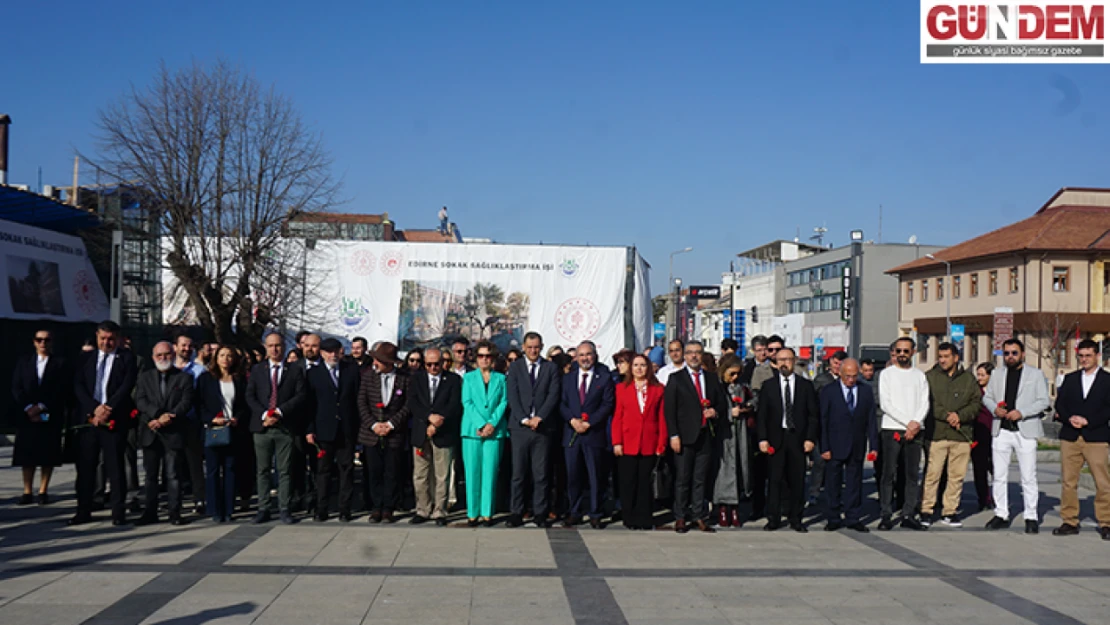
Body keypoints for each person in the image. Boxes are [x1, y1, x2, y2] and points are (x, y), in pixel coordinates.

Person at [70, 320, 139, 526]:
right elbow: (79, 385)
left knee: (115, 467)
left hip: (114, 420)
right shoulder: (85, 359)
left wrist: (108, 407)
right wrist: (94, 408)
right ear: (97, 336)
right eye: (103, 338)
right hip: (90, 421)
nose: (106, 342)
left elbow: (127, 385)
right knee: (86, 467)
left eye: (110, 339)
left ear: (117, 339)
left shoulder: (126, 358)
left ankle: (118, 511)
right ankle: (83, 510)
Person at [983, 338, 1049, 534]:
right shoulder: (996, 374)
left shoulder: (1035, 374)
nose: (1010, 357)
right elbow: (986, 397)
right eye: (1007, 353)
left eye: (1014, 353)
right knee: (999, 476)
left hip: (1025, 430)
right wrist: (995, 409)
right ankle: (1001, 513)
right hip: (1001, 429)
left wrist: (1022, 412)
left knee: (1028, 476)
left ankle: (1031, 516)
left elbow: (1043, 401)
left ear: (1022, 354)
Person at [665, 340, 727, 533]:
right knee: (683, 478)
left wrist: (714, 412)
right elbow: (670, 410)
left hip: (705, 435)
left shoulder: (711, 378)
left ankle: (699, 516)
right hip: (684, 437)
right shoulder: (676, 379)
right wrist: (673, 435)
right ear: (684, 356)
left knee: (700, 478)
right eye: (690, 352)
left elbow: (721, 404)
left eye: (698, 353)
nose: (694, 356)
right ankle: (681, 516)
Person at [757, 346, 819, 532]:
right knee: (775, 480)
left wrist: (810, 439)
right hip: (776, 438)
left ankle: (796, 518)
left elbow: (812, 416)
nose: (785, 363)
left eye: (788, 359)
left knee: (797, 480)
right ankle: (773, 518)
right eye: (781, 360)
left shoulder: (805, 386)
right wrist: (763, 439)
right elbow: (762, 416)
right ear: (776, 363)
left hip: (797, 438)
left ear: (794, 361)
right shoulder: (768, 386)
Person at [246, 332, 306, 524]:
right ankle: (263, 508)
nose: (274, 349)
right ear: (265, 347)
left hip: (284, 426)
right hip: (262, 427)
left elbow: (300, 396)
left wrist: (279, 412)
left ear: (284, 347)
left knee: (285, 470)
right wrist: (265, 414)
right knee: (262, 469)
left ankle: (284, 507)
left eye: (278, 345)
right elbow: (250, 396)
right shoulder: (257, 370)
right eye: (271, 346)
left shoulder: (295, 370)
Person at [1053, 339, 1110, 538]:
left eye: (1088, 355)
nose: (1084, 359)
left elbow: (1108, 409)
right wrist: (1070, 418)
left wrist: (1088, 421)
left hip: (1096, 437)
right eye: (1081, 356)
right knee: (1069, 481)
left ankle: (1106, 522)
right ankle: (1069, 521)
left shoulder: (1107, 380)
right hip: (1070, 436)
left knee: (1102, 482)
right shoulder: (1070, 379)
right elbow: (1060, 404)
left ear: (1097, 356)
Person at [919, 343, 981, 528]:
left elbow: (976, 403)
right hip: (937, 434)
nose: (943, 360)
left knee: (956, 476)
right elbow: (927, 402)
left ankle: (950, 511)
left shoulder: (969, 379)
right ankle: (926, 510)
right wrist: (947, 416)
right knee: (932, 474)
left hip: (961, 435)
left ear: (956, 357)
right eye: (940, 356)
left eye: (946, 356)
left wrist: (960, 416)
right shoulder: (930, 377)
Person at [505, 332, 562, 528]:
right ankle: (517, 511)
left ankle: (540, 512)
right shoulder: (515, 367)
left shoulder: (550, 368)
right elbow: (512, 394)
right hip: (520, 428)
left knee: (541, 473)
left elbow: (553, 395)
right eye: (529, 347)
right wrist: (523, 418)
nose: (533, 350)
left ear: (542, 346)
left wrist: (540, 417)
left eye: (536, 347)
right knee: (518, 473)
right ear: (523, 347)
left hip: (542, 428)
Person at [134, 342, 194, 526]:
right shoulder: (145, 377)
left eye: (166, 354)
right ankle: (150, 511)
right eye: (159, 355)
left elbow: (186, 402)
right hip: (151, 431)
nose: (163, 358)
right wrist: (157, 415)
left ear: (173, 355)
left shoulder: (183, 377)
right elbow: (140, 400)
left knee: (173, 474)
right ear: (153, 358)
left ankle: (174, 511)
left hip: (173, 431)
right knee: (151, 476)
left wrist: (169, 417)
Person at [303, 338, 361, 522]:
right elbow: (309, 404)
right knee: (323, 471)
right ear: (322, 353)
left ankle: (345, 508)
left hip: (346, 429)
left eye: (335, 351)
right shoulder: (313, 373)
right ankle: (322, 508)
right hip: (323, 429)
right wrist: (309, 429)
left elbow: (357, 400)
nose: (332, 355)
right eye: (328, 352)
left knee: (346, 469)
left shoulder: (351, 371)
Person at [560, 340, 615, 528]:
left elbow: (607, 404)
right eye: (581, 355)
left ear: (595, 355)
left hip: (594, 434)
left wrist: (590, 422)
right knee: (573, 475)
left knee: (595, 476)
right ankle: (574, 511)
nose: (585, 358)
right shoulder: (568, 378)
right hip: (572, 434)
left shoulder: (604, 378)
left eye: (588, 354)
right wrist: (572, 421)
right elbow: (561, 403)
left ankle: (595, 512)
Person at [877, 337, 929, 531]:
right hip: (892, 428)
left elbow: (925, 402)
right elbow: (886, 404)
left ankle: (908, 513)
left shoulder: (919, 375)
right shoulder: (886, 374)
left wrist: (916, 423)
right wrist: (908, 422)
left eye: (906, 351)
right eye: (898, 351)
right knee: (888, 473)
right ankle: (886, 514)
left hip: (916, 430)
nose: (902, 354)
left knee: (911, 474)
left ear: (913, 352)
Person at [11, 330, 68, 505]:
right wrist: (29, 408)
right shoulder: (24, 362)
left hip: (47, 414)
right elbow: (16, 387)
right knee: (26, 453)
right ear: (34, 342)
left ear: (52, 342)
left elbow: (60, 389)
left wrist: (41, 408)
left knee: (47, 452)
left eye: (47, 340)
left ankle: (43, 490)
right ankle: (27, 490)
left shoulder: (59, 363)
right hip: (27, 415)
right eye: (39, 340)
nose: (43, 343)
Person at [819, 359, 877, 532]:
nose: (851, 380)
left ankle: (853, 517)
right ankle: (833, 517)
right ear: (840, 374)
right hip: (834, 444)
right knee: (833, 484)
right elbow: (823, 420)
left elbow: (871, 420)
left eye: (854, 376)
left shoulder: (865, 391)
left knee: (854, 483)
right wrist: (824, 447)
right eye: (847, 376)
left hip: (856, 445)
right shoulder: (829, 391)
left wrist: (873, 446)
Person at [408, 347, 463, 525]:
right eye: (429, 364)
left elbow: (454, 405)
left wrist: (438, 422)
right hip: (420, 432)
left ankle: (440, 510)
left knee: (442, 475)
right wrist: (428, 419)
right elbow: (413, 402)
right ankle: (422, 509)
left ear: (443, 363)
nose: (433, 368)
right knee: (420, 474)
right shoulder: (416, 378)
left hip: (444, 432)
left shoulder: (453, 380)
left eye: (436, 364)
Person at [357, 341, 410, 523]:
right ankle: (376, 506)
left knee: (392, 471)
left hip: (394, 433)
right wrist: (373, 425)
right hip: (371, 433)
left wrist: (391, 424)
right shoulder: (367, 376)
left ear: (389, 363)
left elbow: (407, 405)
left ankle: (389, 507)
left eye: (378, 361)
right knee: (373, 471)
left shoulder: (404, 378)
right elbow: (361, 403)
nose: (375, 364)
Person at [612, 354, 666, 530]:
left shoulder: (658, 389)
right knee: (628, 482)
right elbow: (618, 417)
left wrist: (661, 442)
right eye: (636, 365)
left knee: (645, 482)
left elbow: (662, 418)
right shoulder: (622, 388)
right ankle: (630, 517)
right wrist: (617, 442)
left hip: (649, 440)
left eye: (643, 365)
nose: (639, 369)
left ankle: (644, 517)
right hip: (628, 441)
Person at [198, 345, 248, 523]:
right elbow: (199, 405)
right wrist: (211, 419)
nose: (225, 359)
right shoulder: (206, 379)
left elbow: (244, 404)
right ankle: (214, 508)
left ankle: (228, 508)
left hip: (233, 430)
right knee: (212, 470)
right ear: (216, 358)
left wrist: (237, 418)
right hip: (214, 430)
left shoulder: (239, 379)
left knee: (230, 469)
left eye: (229, 356)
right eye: (222, 355)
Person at [461, 341, 508, 526]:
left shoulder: (501, 379)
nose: (484, 359)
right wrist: (481, 423)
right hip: (472, 430)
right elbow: (467, 402)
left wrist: (492, 424)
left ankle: (487, 512)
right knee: (472, 472)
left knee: (490, 472)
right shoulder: (468, 378)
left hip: (494, 431)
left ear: (493, 358)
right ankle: (472, 512)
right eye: (480, 356)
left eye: (487, 356)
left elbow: (503, 402)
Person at [712, 355, 753, 528]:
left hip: (741, 432)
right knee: (724, 470)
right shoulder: (718, 388)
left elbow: (753, 400)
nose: (735, 377)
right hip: (724, 433)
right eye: (732, 373)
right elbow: (715, 408)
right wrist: (730, 413)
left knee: (740, 467)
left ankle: (735, 508)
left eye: (738, 374)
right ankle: (723, 507)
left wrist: (746, 407)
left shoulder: (742, 388)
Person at [173, 332, 207, 517]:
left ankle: (199, 498)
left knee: (194, 463)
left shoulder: (199, 371)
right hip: (170, 423)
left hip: (191, 421)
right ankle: (174, 499)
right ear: (175, 346)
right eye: (183, 345)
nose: (186, 349)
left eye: (189, 346)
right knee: (173, 464)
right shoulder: (167, 368)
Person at [971, 363, 995, 511]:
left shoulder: (996, 392)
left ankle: (998, 497)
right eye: (978, 375)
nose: (979, 378)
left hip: (995, 434)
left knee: (996, 468)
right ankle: (983, 499)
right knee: (979, 468)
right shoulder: (975, 391)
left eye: (982, 375)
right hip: (978, 433)